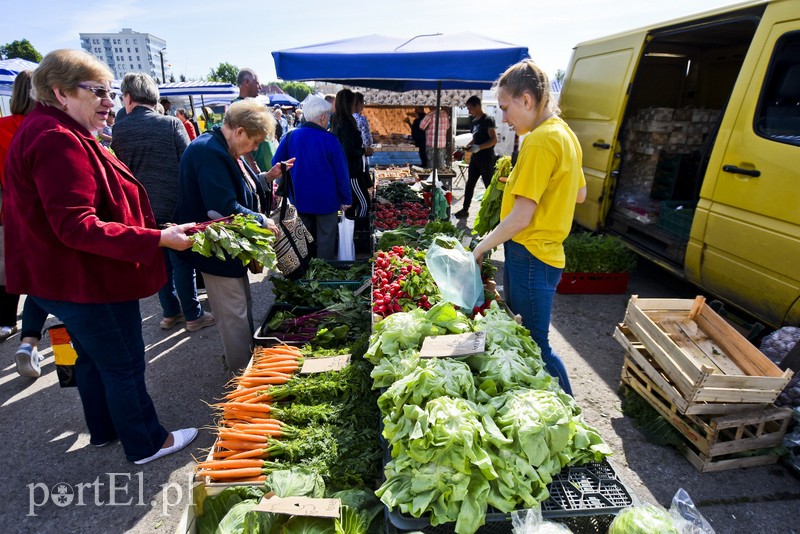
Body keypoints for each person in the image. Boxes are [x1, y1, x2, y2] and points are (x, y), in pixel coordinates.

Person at [3, 49, 197, 463]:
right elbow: (76, 225)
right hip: (87, 279)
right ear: (61, 92)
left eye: (111, 93)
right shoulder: (57, 139)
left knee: (89, 359)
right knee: (123, 362)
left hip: (64, 278)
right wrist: (156, 239)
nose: (110, 102)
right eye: (99, 92)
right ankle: (146, 442)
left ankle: (104, 431)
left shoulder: (53, 129)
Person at [472, 60, 587, 397]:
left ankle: (571, 412)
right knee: (532, 339)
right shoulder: (564, 133)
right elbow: (579, 194)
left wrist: (480, 248)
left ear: (527, 100)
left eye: (507, 108)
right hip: (547, 254)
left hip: (531, 254)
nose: (505, 118)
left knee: (536, 345)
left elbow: (522, 216)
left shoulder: (539, 140)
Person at [174, 99, 292, 373]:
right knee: (234, 313)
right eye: (254, 142)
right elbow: (222, 208)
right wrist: (261, 219)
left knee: (239, 306)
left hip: (228, 246)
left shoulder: (221, 147)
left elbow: (238, 188)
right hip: (216, 249)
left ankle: (245, 362)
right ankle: (243, 378)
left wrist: (266, 178)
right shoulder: (209, 153)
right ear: (239, 131)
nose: (254, 148)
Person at [112, 73, 214, 333]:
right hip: (174, 203)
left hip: (141, 206)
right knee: (182, 262)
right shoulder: (170, 124)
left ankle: (170, 313)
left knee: (158, 263)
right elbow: (189, 162)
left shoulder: (119, 127)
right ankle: (193, 315)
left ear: (129, 96)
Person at [0, 70, 52, 378]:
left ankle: (15, 329)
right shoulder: (45, 129)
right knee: (47, 280)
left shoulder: (3, 127)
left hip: (9, 214)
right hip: (46, 215)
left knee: (12, 271)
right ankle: (36, 341)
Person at [272, 95, 351, 260]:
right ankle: (323, 275)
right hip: (327, 202)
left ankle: (305, 274)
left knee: (302, 240)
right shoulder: (331, 140)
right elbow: (341, 172)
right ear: (323, 118)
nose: (329, 120)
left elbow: (276, 164)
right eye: (328, 117)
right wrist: (346, 198)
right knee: (326, 240)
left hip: (299, 199)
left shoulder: (290, 137)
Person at [331, 89, 371, 224]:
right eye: (354, 102)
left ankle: (353, 233)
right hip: (352, 171)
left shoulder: (338, 120)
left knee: (351, 205)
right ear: (349, 103)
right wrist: (364, 151)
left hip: (348, 170)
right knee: (365, 203)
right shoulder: (346, 122)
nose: (356, 105)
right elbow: (348, 150)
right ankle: (358, 233)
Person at [455, 95, 498, 217]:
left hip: (487, 158)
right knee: (470, 184)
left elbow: (494, 140)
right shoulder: (473, 122)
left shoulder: (488, 120)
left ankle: (493, 211)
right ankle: (465, 209)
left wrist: (479, 147)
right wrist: (465, 149)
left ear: (478, 106)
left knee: (488, 185)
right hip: (475, 158)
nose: (469, 112)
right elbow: (475, 139)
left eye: (470, 109)